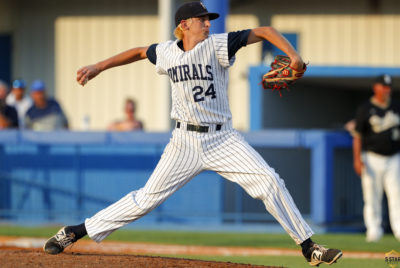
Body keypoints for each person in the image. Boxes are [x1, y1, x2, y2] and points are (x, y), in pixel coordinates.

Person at [43, 2, 342, 266]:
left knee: (270, 181)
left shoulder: (219, 45)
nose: (208, 24)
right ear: (184, 25)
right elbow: (137, 51)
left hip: (223, 139)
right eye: (202, 19)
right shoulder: (167, 53)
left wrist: (294, 55)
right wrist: (99, 66)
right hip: (184, 142)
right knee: (145, 199)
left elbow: (265, 30)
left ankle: (308, 247)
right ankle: (74, 231)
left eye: (208, 19)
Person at [351, 74, 400, 242]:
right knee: (372, 195)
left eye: (388, 87)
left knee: (396, 194)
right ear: (376, 88)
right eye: (383, 86)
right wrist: (357, 159)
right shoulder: (365, 108)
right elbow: (357, 136)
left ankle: (399, 229)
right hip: (371, 157)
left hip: (394, 157)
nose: (387, 90)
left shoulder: (396, 106)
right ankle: (374, 230)